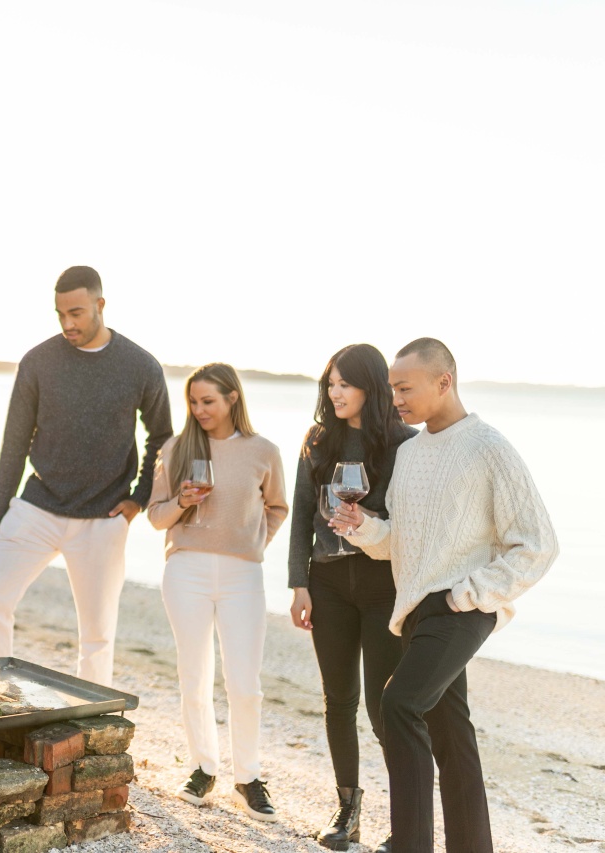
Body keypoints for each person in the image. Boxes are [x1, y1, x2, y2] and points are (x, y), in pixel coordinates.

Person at [333, 338, 557, 853]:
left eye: (404, 388)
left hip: (460, 607)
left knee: (399, 705)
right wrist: (364, 528)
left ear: (443, 381)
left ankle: (410, 844)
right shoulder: (410, 454)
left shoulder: (488, 447)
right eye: (391, 390)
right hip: (415, 608)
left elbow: (538, 544)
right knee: (453, 738)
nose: (395, 401)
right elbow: (401, 542)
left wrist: (475, 591)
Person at [0, 265, 172, 687]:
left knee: (97, 634)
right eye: (61, 314)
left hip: (103, 517)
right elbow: (14, 443)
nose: (68, 324)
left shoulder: (141, 366)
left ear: (100, 305)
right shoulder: (38, 362)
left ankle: (90, 718)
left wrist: (138, 498)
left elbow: (162, 438)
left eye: (77, 313)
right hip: (38, 507)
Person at [287, 344, 416, 851]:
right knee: (338, 700)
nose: (334, 392)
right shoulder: (318, 440)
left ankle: (406, 821)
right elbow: (301, 515)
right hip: (329, 585)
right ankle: (348, 811)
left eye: (345, 384)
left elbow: (411, 525)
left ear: (371, 386)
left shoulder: (405, 443)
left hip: (384, 586)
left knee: (385, 707)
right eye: (330, 384)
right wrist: (299, 582)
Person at [147, 363, 288, 822]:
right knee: (195, 674)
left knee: (245, 683)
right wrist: (182, 503)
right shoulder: (176, 448)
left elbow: (277, 508)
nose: (199, 409)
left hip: (242, 576)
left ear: (232, 398)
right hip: (185, 569)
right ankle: (203, 767)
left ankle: (247, 777)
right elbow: (155, 516)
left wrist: (252, 543)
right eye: (193, 401)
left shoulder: (263, 450)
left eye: (208, 400)